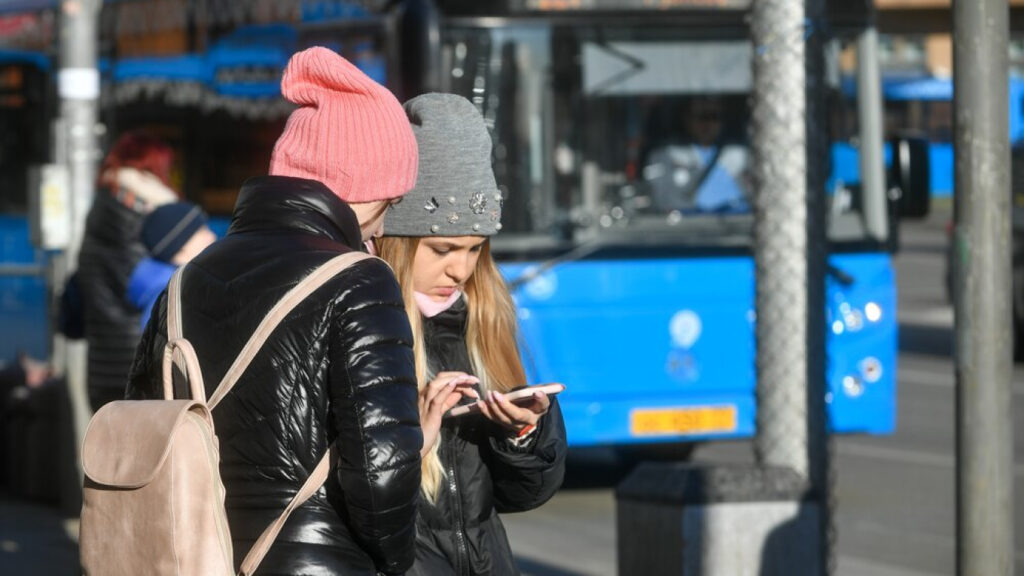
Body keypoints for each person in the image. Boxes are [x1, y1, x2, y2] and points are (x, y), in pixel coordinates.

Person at [126, 47, 437, 576]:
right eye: (392, 200)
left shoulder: (187, 279)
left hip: (190, 558)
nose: (385, 225)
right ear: (363, 187)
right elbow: (381, 471)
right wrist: (393, 560)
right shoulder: (361, 280)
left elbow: (142, 428)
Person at [375, 93, 568, 576]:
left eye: (476, 248)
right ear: (397, 240)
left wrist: (522, 434)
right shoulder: (366, 331)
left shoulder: (482, 318)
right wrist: (410, 440)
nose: (461, 269)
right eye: (443, 249)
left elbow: (520, 496)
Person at [78, 130, 179, 411]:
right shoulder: (150, 220)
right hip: (143, 366)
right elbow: (147, 287)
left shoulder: (97, 212)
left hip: (100, 367)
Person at [641, 96, 750, 214]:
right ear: (687, 119)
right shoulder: (666, 155)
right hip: (690, 223)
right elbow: (661, 200)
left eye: (714, 117)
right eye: (701, 117)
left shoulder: (741, 155)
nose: (708, 124)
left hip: (736, 221)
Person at [127, 201, 216, 330]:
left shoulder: (180, 286)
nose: (212, 236)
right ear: (181, 245)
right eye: (202, 231)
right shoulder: (173, 298)